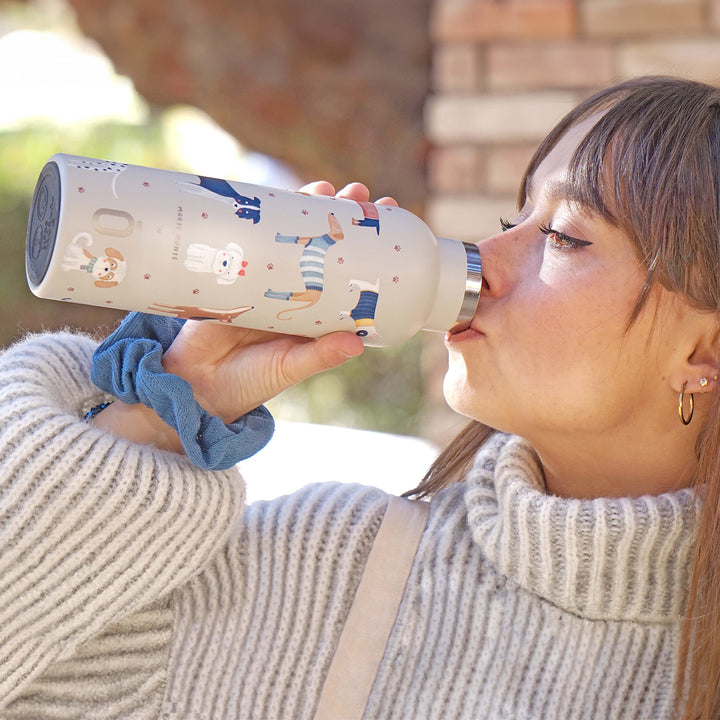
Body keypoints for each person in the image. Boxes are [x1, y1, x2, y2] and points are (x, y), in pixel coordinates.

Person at [1, 75, 719, 719]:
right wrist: (166, 407)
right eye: (514, 221)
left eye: (563, 236)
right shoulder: (329, 568)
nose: (484, 258)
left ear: (703, 351)